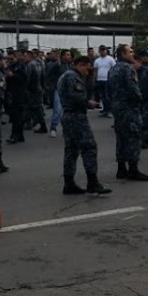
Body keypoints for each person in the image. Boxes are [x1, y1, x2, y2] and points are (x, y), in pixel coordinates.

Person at [57, 56, 112, 195]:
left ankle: (69, 183)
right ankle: (92, 182)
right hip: (76, 117)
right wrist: (89, 103)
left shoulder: (66, 76)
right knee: (89, 148)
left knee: (71, 150)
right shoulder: (73, 78)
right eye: (88, 68)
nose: (89, 71)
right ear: (81, 65)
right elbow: (76, 97)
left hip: (68, 116)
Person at [108, 44, 148, 182]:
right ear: (122, 54)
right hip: (129, 107)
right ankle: (133, 169)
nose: (132, 54)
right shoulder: (128, 68)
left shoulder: (113, 68)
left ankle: (121, 168)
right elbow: (133, 88)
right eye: (130, 52)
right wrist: (139, 100)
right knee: (133, 136)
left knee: (121, 137)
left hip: (117, 106)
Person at [47, 50, 73, 137]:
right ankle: (53, 128)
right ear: (62, 56)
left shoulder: (70, 65)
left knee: (68, 110)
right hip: (58, 90)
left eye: (69, 55)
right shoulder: (57, 65)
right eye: (67, 55)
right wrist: (52, 85)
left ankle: (67, 129)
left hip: (68, 91)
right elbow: (48, 75)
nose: (69, 56)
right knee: (57, 110)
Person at [6, 49, 28, 144]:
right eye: (9, 59)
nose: (10, 60)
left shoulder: (21, 67)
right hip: (11, 94)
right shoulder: (9, 66)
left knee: (17, 116)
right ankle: (19, 135)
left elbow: (24, 79)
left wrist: (13, 75)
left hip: (19, 94)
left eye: (12, 58)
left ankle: (15, 135)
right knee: (15, 116)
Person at [94, 46, 115, 117]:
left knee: (108, 96)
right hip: (100, 80)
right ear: (99, 51)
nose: (103, 51)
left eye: (104, 50)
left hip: (108, 80)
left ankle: (109, 110)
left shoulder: (110, 59)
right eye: (101, 50)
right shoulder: (97, 60)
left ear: (106, 51)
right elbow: (95, 71)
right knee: (102, 96)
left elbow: (114, 69)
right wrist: (95, 79)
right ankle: (105, 110)